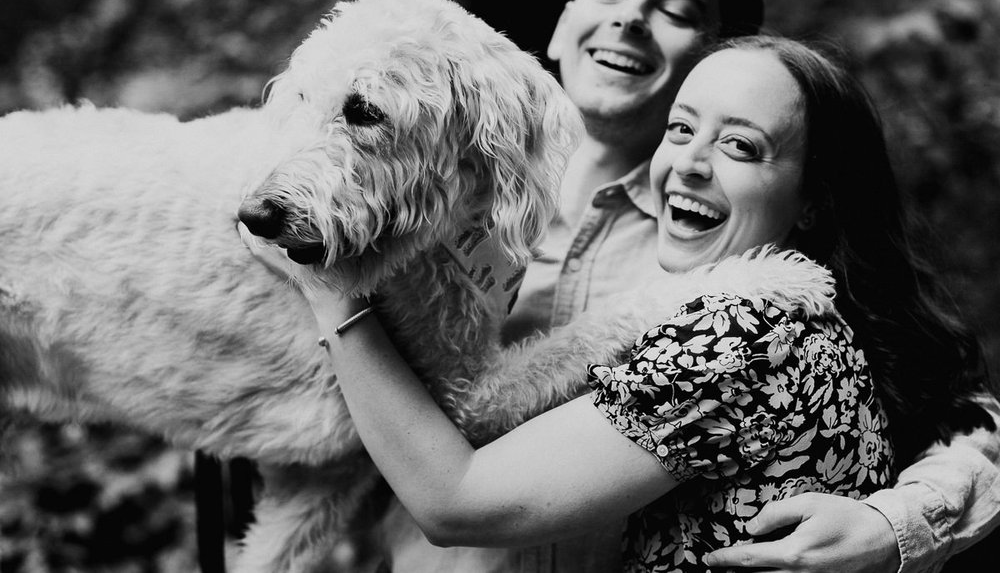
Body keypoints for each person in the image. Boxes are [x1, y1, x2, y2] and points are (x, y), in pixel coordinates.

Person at [246, 35, 995, 572]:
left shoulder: (747, 322)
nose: (691, 163)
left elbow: (458, 500)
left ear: (810, 203)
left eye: (740, 146)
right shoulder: (805, 316)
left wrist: (326, 288)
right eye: (681, 128)